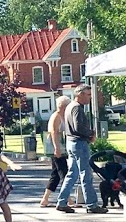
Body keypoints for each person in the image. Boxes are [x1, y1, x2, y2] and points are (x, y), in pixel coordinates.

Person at [55, 85, 106, 214]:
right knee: (86, 174)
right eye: (88, 95)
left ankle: (61, 201)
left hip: (71, 142)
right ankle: (92, 204)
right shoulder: (77, 108)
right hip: (79, 143)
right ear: (80, 94)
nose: (90, 97)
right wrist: (90, 134)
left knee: (72, 174)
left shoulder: (70, 106)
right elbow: (78, 127)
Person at [39, 95, 70, 208]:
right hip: (56, 149)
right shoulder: (56, 116)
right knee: (64, 173)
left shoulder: (62, 116)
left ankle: (45, 199)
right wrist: (57, 148)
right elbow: (53, 132)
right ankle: (68, 199)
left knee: (55, 175)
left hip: (59, 148)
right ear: (63, 106)